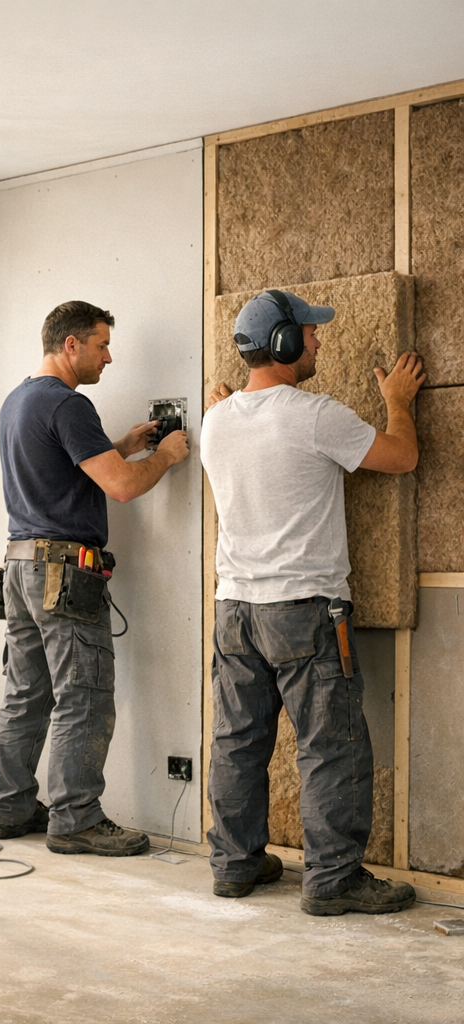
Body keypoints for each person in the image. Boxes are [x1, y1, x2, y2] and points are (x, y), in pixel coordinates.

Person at [201, 288, 423, 915]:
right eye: (310, 331)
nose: (319, 340)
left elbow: (249, 428)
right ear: (283, 342)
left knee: (238, 742)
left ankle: (235, 864)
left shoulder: (217, 419)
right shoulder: (316, 415)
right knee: (331, 745)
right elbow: (402, 457)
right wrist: (397, 402)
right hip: (304, 610)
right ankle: (333, 879)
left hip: (234, 610)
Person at [0, 300, 190, 855]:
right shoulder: (69, 404)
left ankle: (10, 808)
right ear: (71, 344)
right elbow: (122, 488)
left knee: (26, 695)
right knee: (84, 694)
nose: (109, 357)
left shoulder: (18, 401)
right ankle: (76, 817)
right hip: (63, 575)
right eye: (101, 345)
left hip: (20, 567)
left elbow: (63, 470)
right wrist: (167, 456)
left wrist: (122, 447)